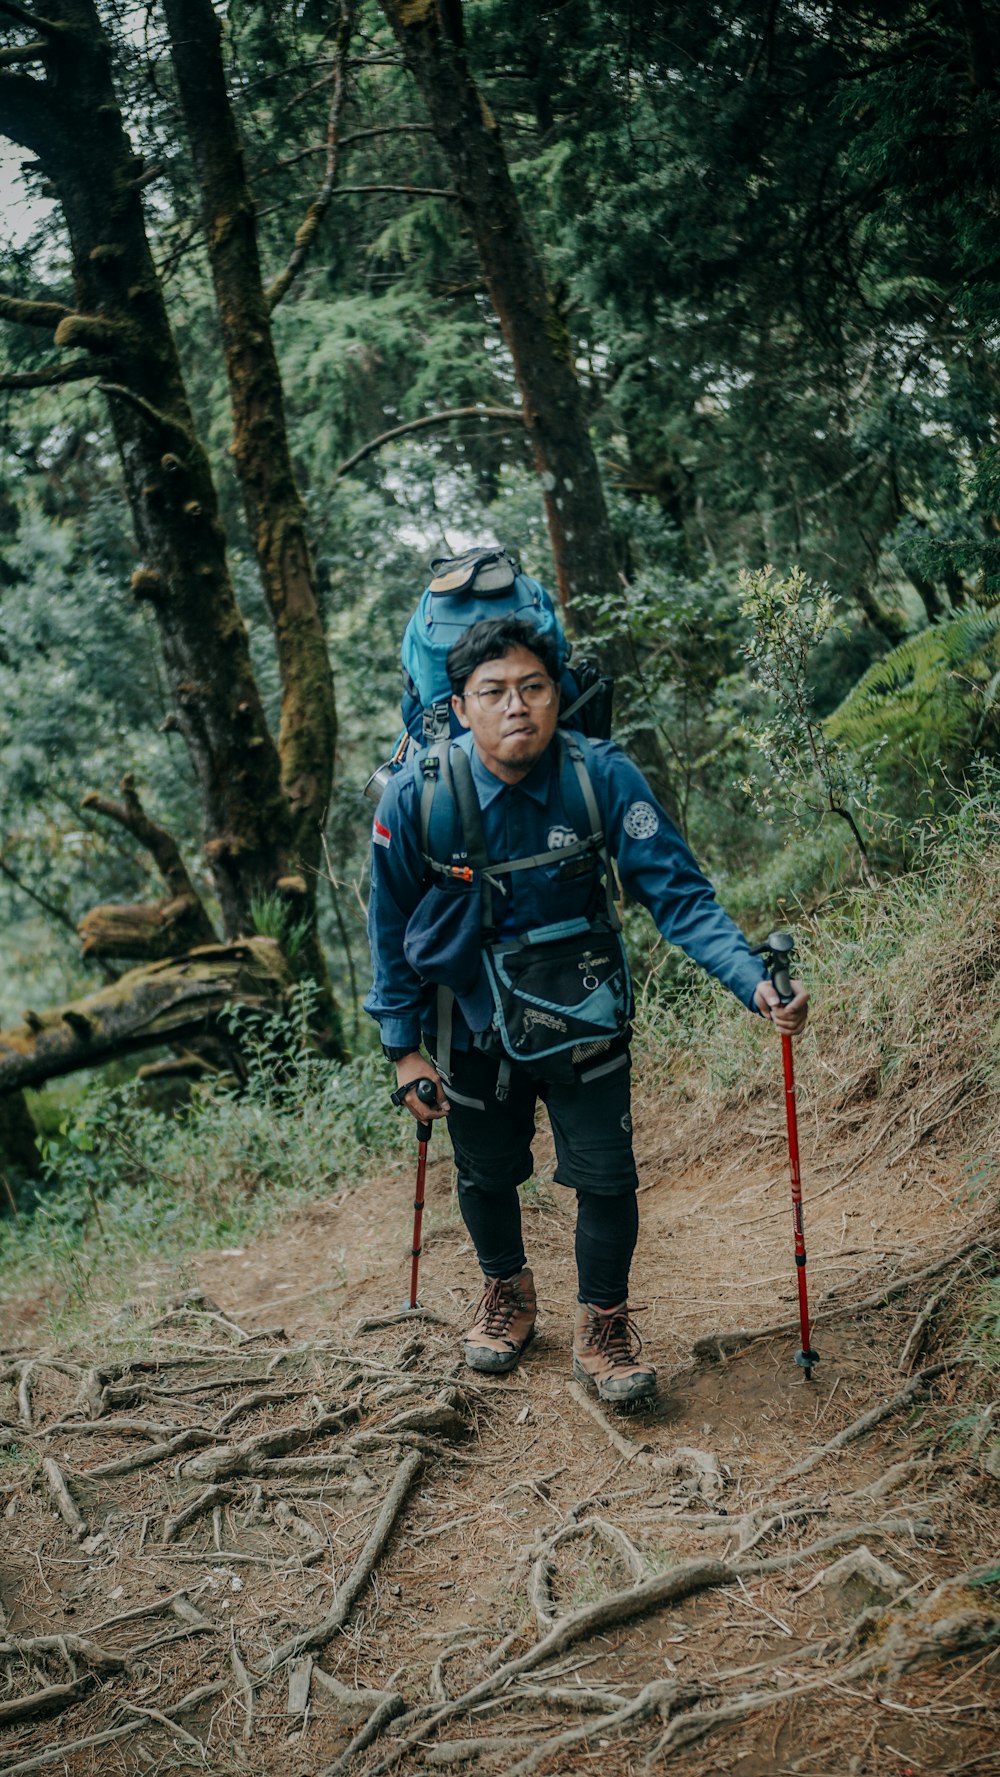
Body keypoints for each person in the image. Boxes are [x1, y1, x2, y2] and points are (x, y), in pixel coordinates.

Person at [365, 615, 808, 1402]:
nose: (517, 707)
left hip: (586, 1015)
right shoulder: (418, 795)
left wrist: (754, 981)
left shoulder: (600, 776)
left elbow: (680, 896)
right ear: (460, 707)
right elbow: (390, 928)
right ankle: (509, 1292)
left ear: (557, 694)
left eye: (533, 687)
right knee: (486, 1174)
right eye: (493, 692)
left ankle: (604, 1325)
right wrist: (404, 1048)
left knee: (608, 1178)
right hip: (471, 1022)